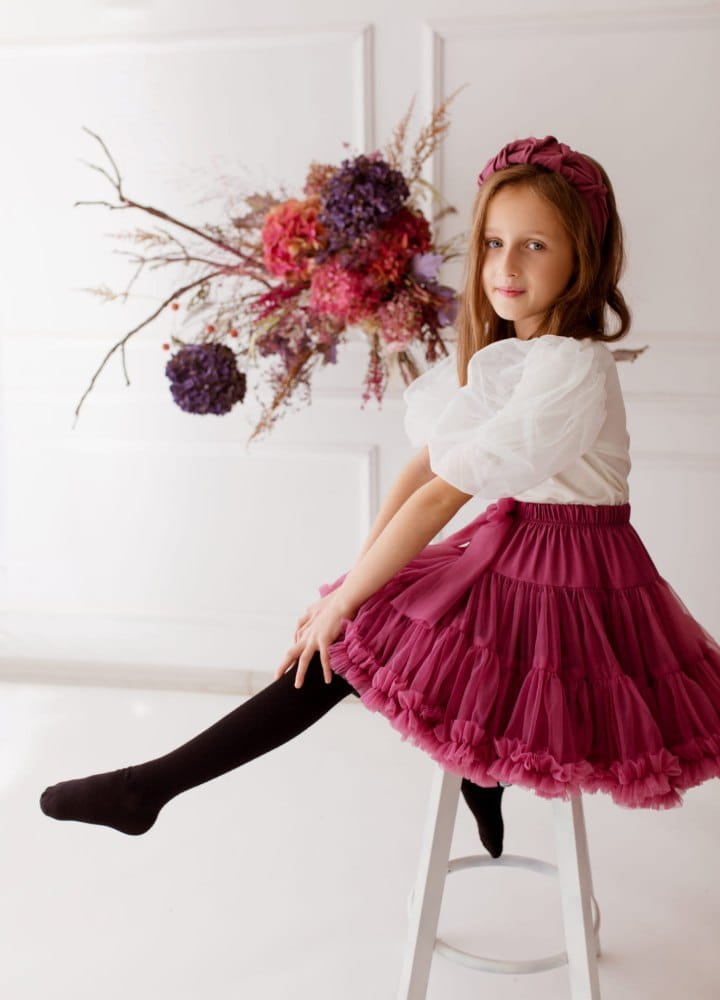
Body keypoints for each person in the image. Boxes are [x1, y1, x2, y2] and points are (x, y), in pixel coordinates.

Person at [40, 135, 720, 861]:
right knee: (360, 630)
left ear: (581, 258)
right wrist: (353, 585)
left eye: (534, 246)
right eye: (494, 244)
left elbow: (440, 499)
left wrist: (345, 602)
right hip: (516, 539)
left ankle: (149, 788)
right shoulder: (514, 358)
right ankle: (475, 774)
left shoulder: (568, 366)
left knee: (350, 649)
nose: (506, 267)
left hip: (576, 573)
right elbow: (421, 470)